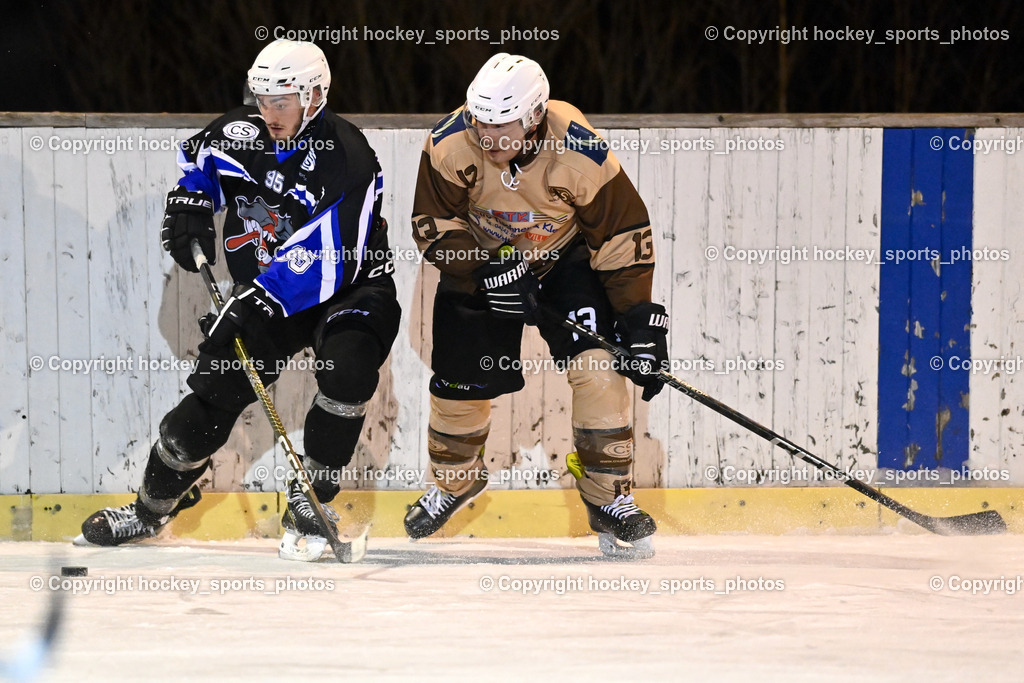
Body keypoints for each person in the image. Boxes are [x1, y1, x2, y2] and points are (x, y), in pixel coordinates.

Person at [76, 39, 401, 562]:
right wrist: (190, 203)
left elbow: (330, 257)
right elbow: (202, 162)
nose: (268, 113)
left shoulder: (350, 157)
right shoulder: (241, 132)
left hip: (350, 289)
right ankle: (150, 510)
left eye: (282, 101)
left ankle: (310, 500)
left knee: (349, 370)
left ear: (314, 96)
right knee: (206, 404)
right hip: (264, 292)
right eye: (262, 98)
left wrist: (254, 300)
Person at [406, 53, 669, 557]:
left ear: (532, 117)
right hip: (482, 261)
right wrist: (489, 267)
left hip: (564, 261)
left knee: (600, 368)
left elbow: (621, 234)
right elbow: (432, 225)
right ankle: (454, 481)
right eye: (480, 123)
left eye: (501, 126)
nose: (488, 137)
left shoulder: (578, 150)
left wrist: (638, 321)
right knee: (460, 379)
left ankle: (607, 495)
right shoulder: (448, 144)